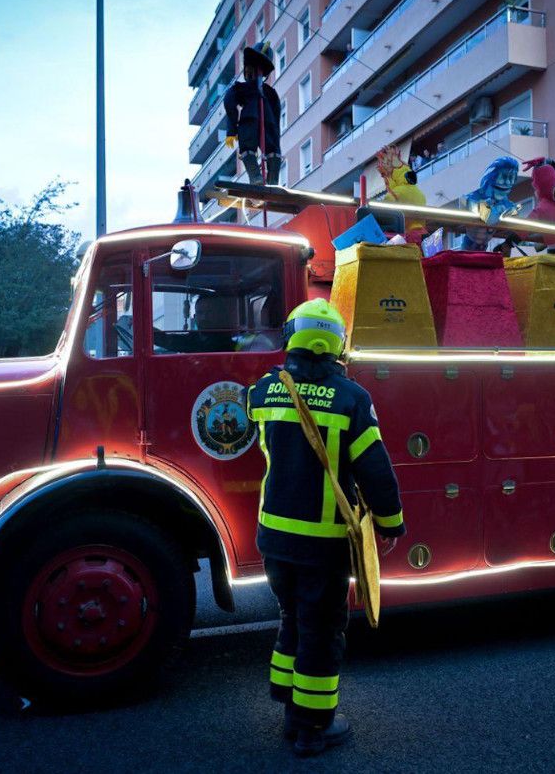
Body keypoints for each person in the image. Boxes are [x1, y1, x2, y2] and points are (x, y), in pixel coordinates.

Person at [247, 298, 405, 758]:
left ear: (291, 335)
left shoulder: (262, 391)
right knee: (322, 629)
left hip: (274, 537)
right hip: (324, 543)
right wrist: (390, 521)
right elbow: (374, 468)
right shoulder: (353, 399)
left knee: (291, 616)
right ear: (338, 342)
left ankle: (288, 702)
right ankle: (312, 727)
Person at [223, 41, 282, 185]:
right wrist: (231, 130)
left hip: (251, 120)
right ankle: (261, 177)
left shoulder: (265, 92)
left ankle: (264, 178)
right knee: (268, 147)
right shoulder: (268, 92)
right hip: (262, 122)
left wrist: (232, 129)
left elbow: (229, 101)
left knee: (250, 146)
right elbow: (277, 112)